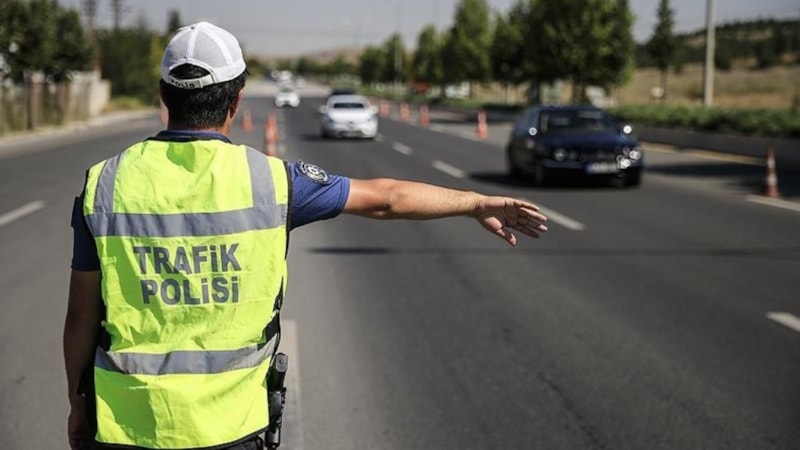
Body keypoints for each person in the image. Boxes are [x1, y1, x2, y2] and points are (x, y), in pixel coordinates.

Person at [63, 21, 548, 450]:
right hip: (231, 427)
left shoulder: (104, 184)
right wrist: (475, 202)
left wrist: (78, 404)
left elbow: (81, 318)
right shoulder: (273, 181)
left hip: (126, 428)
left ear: (164, 96)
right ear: (236, 100)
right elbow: (387, 197)